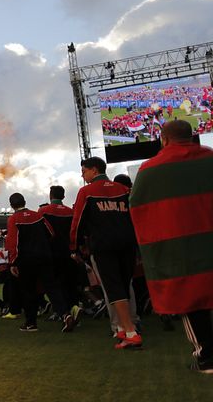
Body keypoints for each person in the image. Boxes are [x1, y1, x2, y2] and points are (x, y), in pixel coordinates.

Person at [130, 119, 213, 371]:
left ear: (163, 139)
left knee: (191, 299)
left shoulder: (149, 170)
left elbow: (139, 211)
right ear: (193, 136)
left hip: (180, 248)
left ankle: (207, 357)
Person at [70, 156, 142, 349]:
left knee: (113, 288)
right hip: (128, 245)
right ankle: (123, 327)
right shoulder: (124, 190)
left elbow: (77, 223)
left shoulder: (86, 192)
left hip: (103, 247)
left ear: (94, 170)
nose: (83, 175)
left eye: (84, 171)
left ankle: (130, 332)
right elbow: (136, 218)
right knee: (124, 286)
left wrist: (74, 247)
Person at [6, 193, 66, 333]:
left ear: (11, 205)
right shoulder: (38, 215)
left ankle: (31, 323)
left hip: (26, 261)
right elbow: (51, 233)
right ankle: (65, 314)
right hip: (45, 257)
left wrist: (13, 262)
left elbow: (13, 242)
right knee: (52, 288)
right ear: (25, 201)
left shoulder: (13, 219)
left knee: (28, 291)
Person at [36, 187, 81, 332]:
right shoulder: (70, 211)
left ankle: (62, 312)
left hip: (51, 253)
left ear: (50, 195)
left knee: (52, 285)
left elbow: (40, 233)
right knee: (68, 282)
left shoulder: (43, 211)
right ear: (63, 196)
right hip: (68, 252)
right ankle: (73, 307)